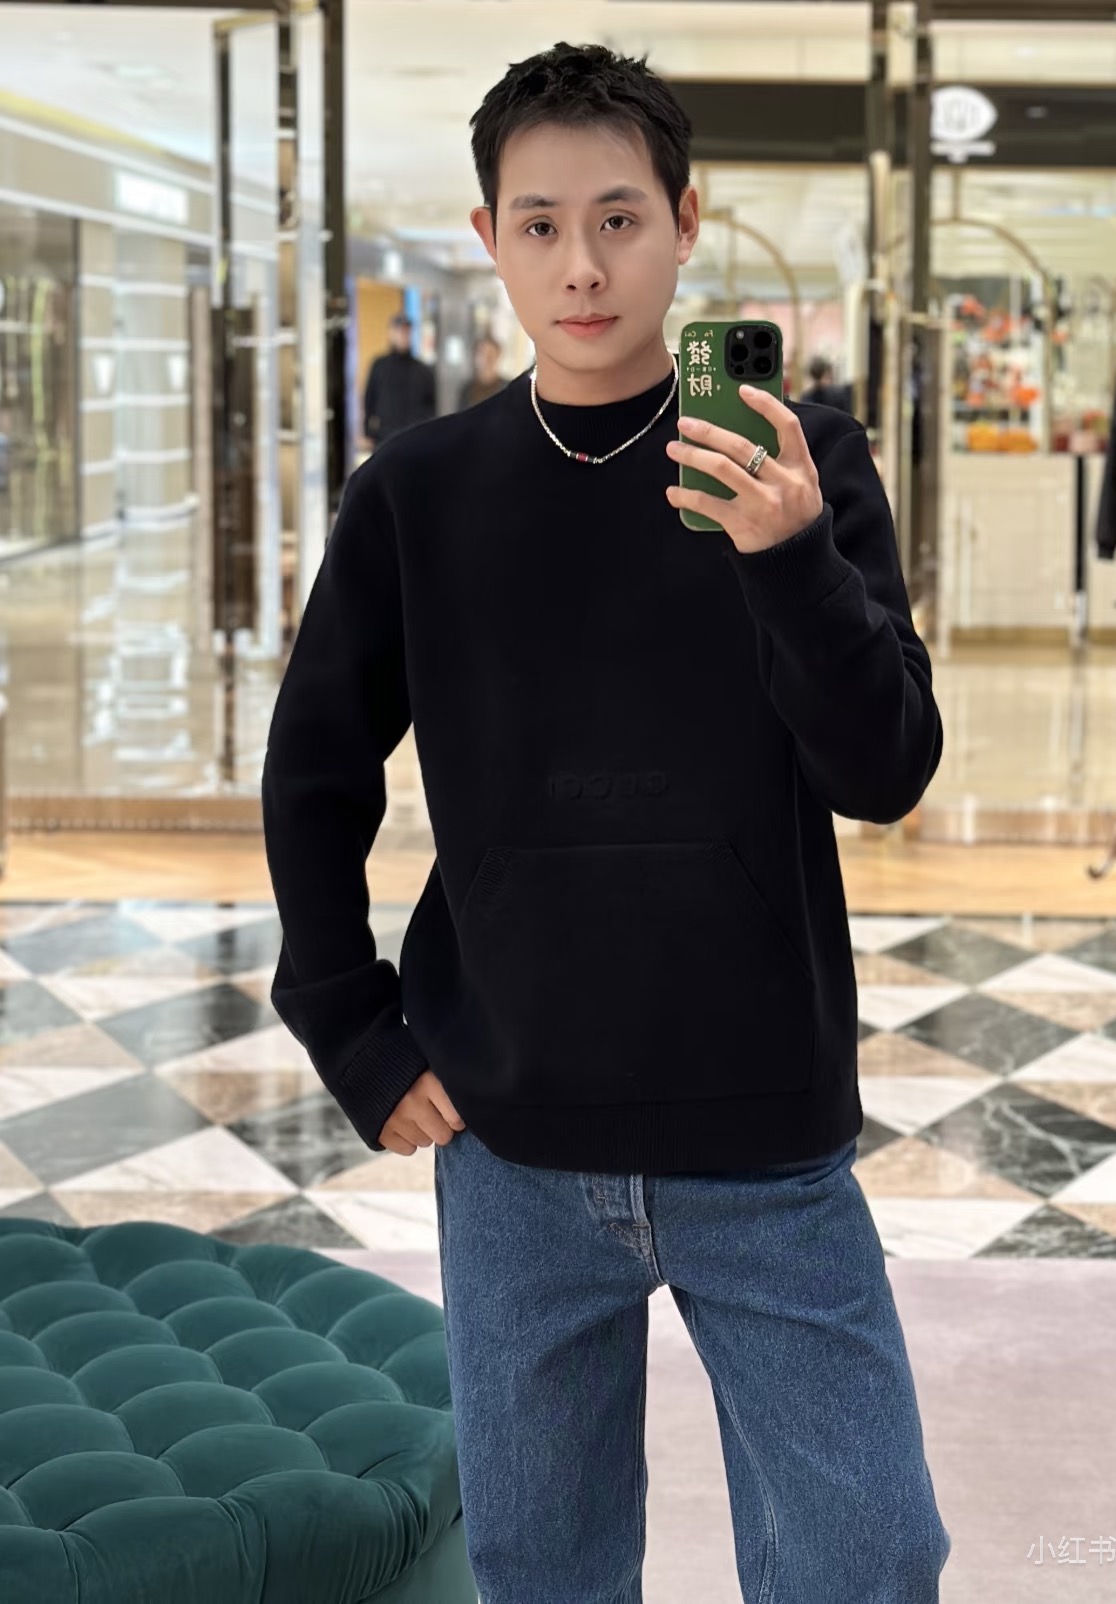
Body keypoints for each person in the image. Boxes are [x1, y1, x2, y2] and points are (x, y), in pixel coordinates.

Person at [262, 40, 950, 1604]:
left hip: (764, 1135)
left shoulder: (802, 463)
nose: (583, 265)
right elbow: (312, 770)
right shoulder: (418, 492)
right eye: (543, 223)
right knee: (544, 1565)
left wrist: (790, 562)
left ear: (685, 224)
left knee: (869, 1553)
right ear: (491, 236)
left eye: (621, 219)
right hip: (510, 1141)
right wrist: (349, 1025)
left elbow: (887, 770)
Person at [360, 313, 436, 451]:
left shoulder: (423, 371)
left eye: (406, 332)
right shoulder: (379, 366)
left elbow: (431, 407)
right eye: (399, 331)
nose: (403, 336)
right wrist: (367, 433)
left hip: (415, 441)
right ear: (391, 333)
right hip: (384, 440)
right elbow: (369, 400)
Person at [458, 331, 507, 408]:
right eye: (482, 354)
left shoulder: (508, 388)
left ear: (497, 356)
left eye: (490, 356)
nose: (485, 360)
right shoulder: (467, 389)